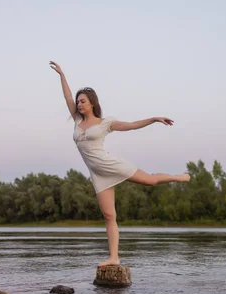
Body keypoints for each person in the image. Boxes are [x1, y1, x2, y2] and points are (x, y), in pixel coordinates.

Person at [49, 61, 190, 267]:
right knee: (109, 215)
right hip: (97, 174)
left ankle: (178, 177)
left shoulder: (106, 123)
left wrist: (153, 119)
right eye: (78, 102)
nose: (79, 104)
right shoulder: (77, 121)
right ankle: (114, 257)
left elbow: (132, 126)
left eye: (83, 101)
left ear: (92, 103)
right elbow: (67, 97)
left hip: (111, 165)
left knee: (150, 182)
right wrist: (62, 75)